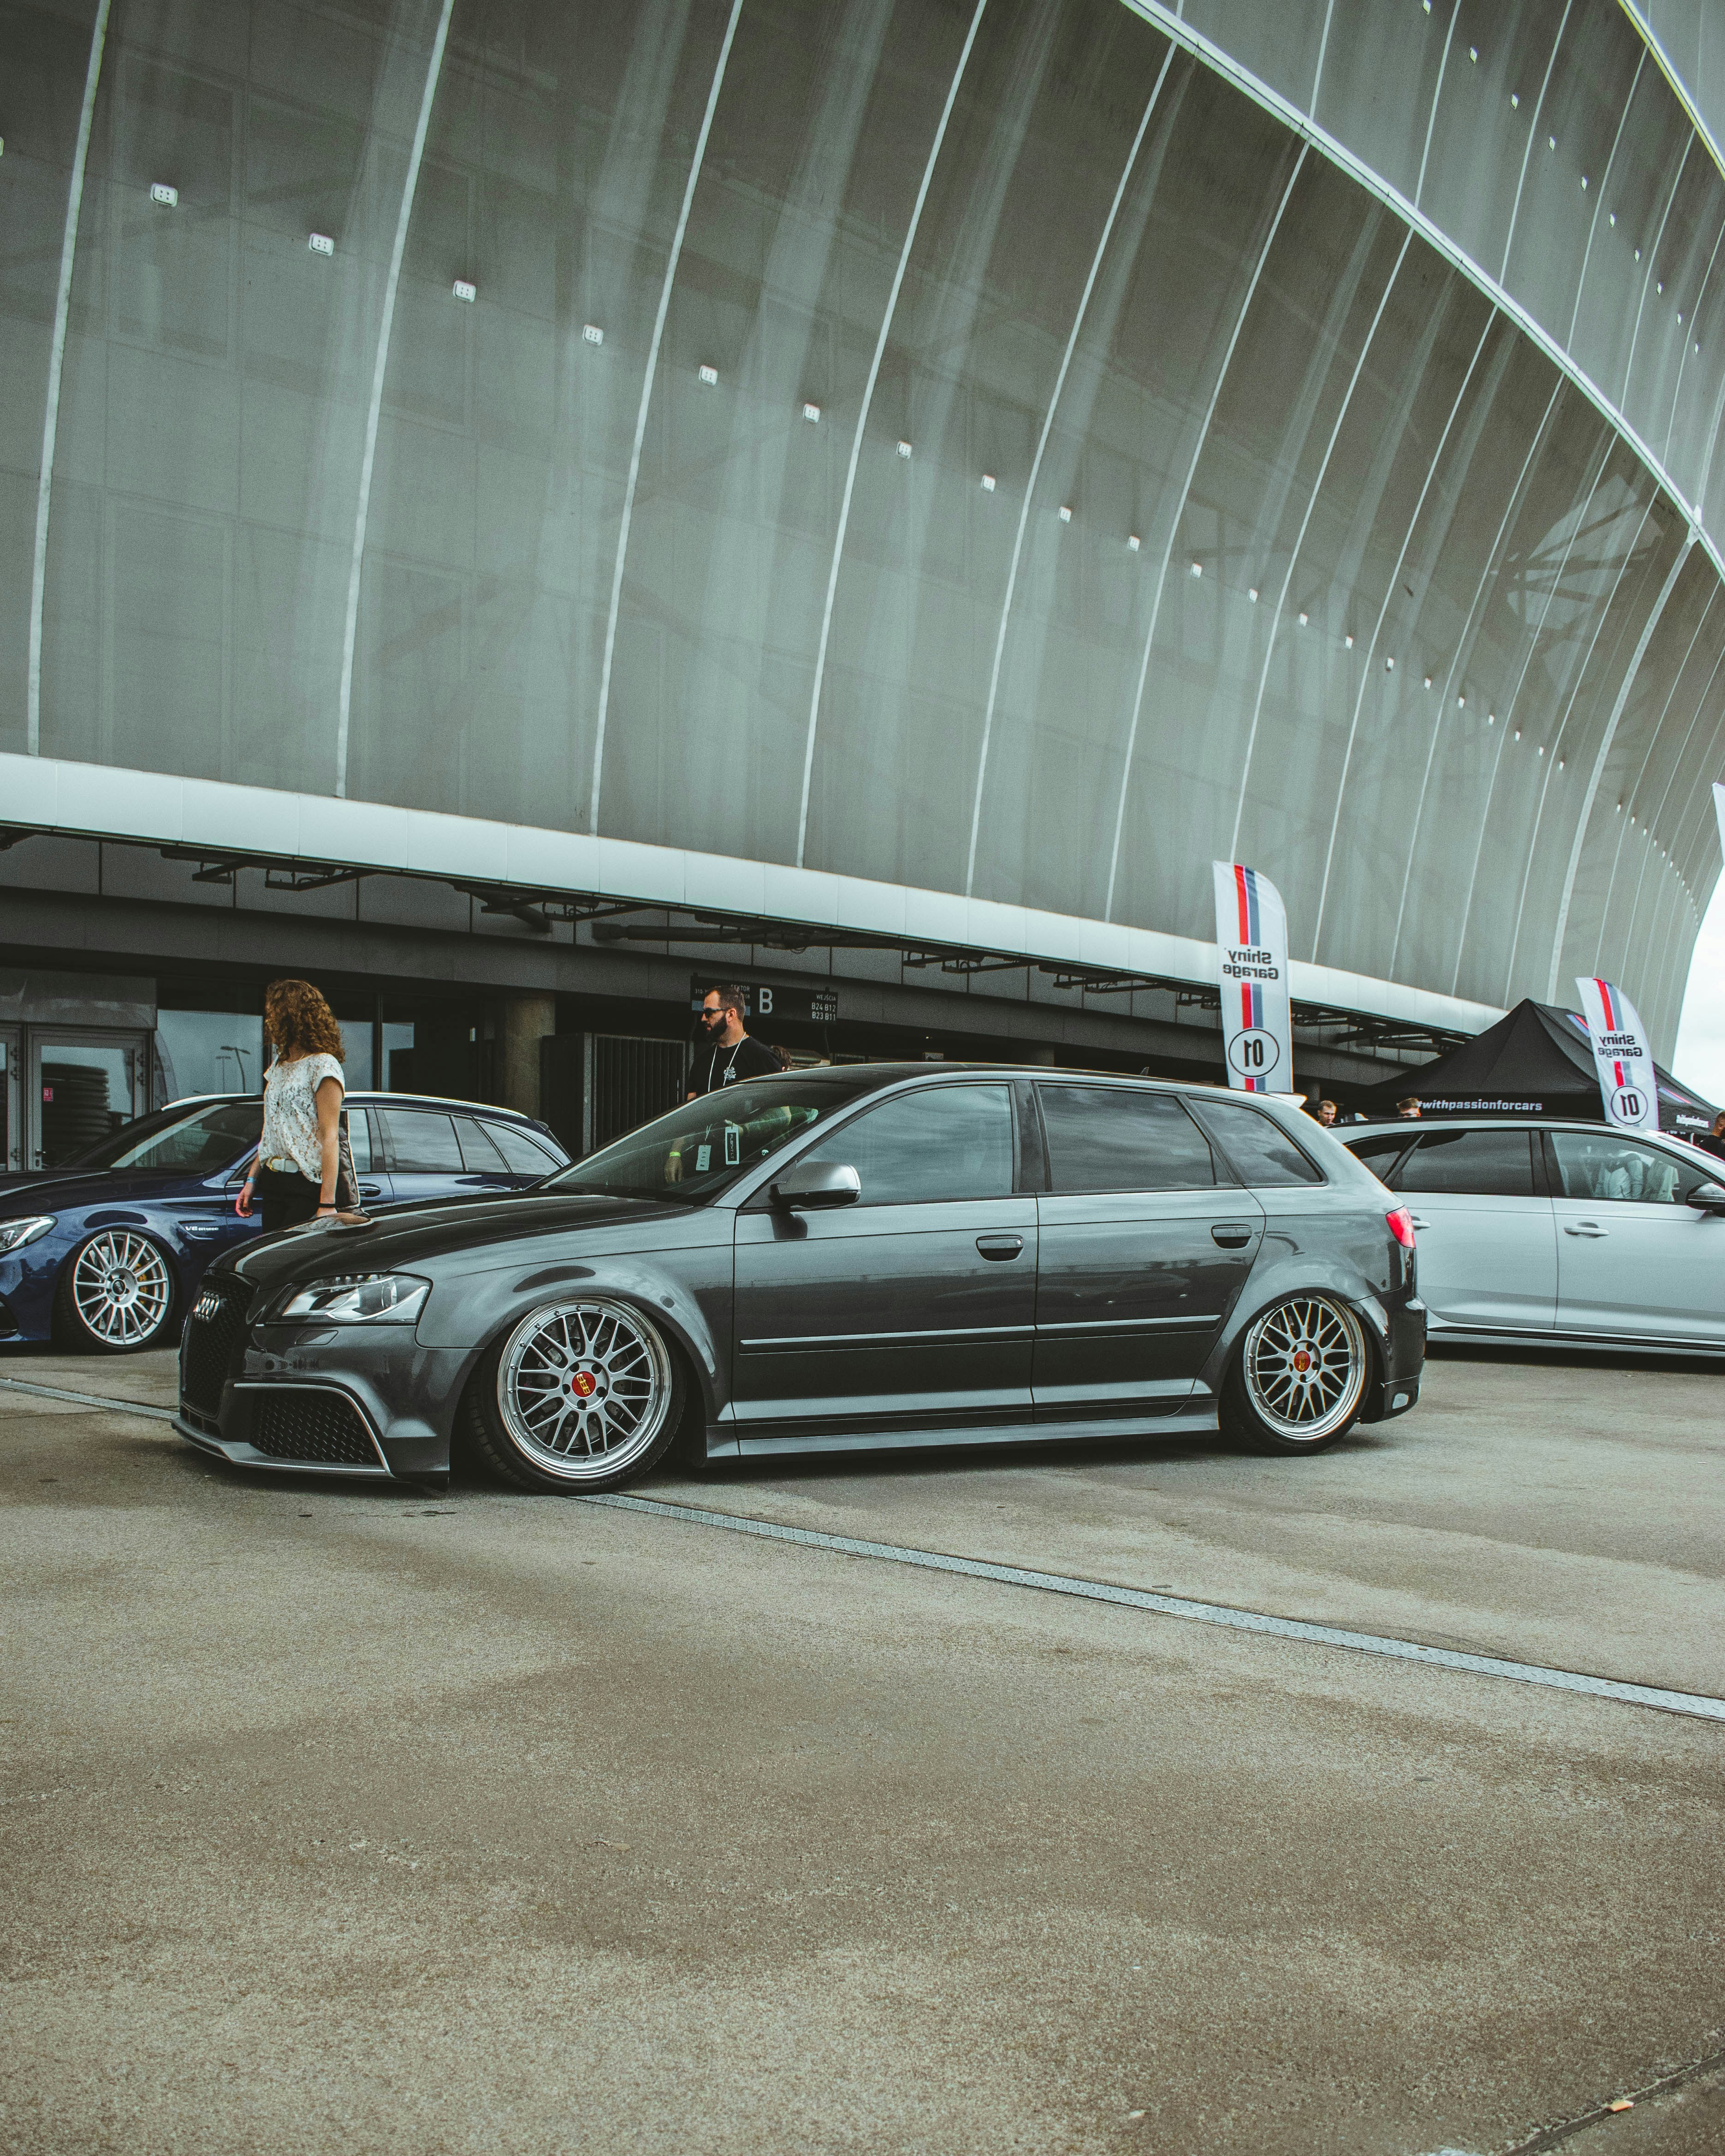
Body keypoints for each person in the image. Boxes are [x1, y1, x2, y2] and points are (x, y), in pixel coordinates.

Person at [236, 979, 350, 1232]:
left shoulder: (323, 1066)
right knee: (271, 1262)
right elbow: (271, 1131)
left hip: (307, 1185)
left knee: (293, 1264)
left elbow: (330, 1136)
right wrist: (252, 1179)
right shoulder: (279, 1065)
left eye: (273, 1013)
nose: (269, 1021)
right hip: (275, 1182)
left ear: (292, 1016)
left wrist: (327, 1203)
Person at [687, 983, 779, 1098]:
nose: (703, 1018)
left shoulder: (762, 1057)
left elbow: (782, 1112)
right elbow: (691, 1106)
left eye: (709, 1013)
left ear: (731, 1014)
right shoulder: (701, 1061)